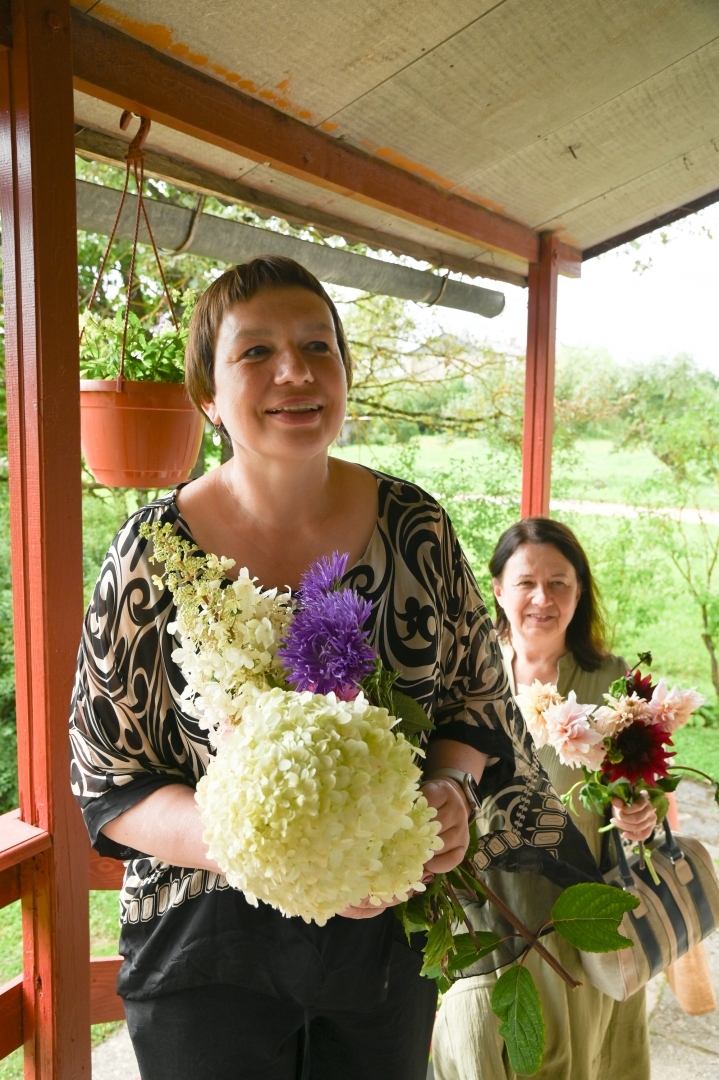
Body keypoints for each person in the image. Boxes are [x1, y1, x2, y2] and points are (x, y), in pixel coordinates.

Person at [70, 258, 598, 1080]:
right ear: (206, 394)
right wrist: (279, 847)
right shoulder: (151, 554)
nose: (296, 371)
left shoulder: (414, 526)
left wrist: (450, 795)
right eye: (255, 352)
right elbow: (109, 781)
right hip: (201, 953)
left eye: (319, 346)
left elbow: (474, 702)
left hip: (384, 946)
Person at [432, 517, 655, 1080]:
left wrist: (637, 814)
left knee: (578, 1056)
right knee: (481, 1045)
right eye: (526, 581)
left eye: (559, 583)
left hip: (576, 911)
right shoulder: (465, 677)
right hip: (481, 902)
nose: (542, 598)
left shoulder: (610, 680)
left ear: (580, 592)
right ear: (499, 589)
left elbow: (636, 797)